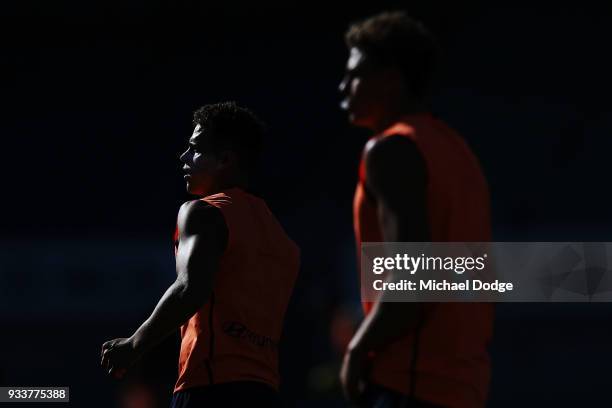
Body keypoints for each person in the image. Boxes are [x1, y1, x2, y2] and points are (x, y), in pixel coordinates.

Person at [338, 12, 493, 408]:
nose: (343, 87)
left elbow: (412, 282)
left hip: (408, 382)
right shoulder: (457, 151)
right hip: (462, 384)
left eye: (355, 74)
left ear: (391, 78)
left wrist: (357, 351)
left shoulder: (390, 150)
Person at [100, 102, 300, 407]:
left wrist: (134, 344)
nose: (184, 157)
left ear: (225, 159)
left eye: (195, 149)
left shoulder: (203, 212)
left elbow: (189, 288)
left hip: (209, 387)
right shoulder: (283, 241)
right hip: (265, 392)